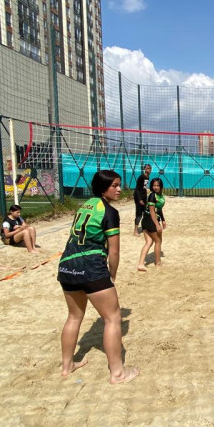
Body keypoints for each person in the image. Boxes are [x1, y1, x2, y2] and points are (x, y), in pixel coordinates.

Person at [57, 170, 139, 384]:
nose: (119, 189)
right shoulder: (109, 211)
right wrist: (112, 274)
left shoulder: (84, 206)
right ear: (103, 188)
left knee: (74, 317)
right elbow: (114, 251)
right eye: (115, 185)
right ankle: (118, 374)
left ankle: (67, 366)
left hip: (67, 265)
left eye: (119, 184)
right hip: (91, 267)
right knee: (112, 318)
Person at [137, 178, 167, 271]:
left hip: (147, 220)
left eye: (158, 185)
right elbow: (152, 212)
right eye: (154, 185)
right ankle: (158, 263)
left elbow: (159, 209)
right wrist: (157, 225)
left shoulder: (160, 195)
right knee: (158, 241)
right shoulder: (152, 196)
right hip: (150, 220)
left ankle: (141, 264)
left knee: (149, 242)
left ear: (161, 186)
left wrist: (163, 220)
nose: (156, 187)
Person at [133, 163, 152, 236]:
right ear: (145, 169)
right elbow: (137, 189)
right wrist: (140, 199)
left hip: (143, 197)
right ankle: (135, 231)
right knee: (139, 214)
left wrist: (146, 195)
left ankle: (144, 228)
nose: (149, 170)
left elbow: (144, 187)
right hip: (138, 197)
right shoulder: (141, 177)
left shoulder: (147, 177)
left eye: (150, 168)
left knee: (145, 213)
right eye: (147, 168)